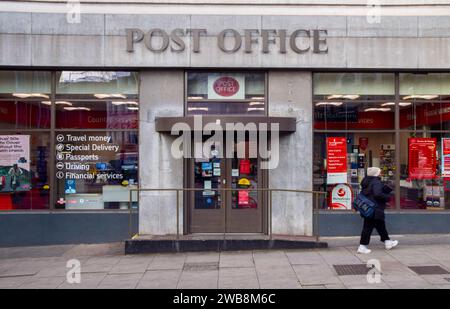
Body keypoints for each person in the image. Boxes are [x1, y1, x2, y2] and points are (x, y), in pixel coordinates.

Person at [357, 167, 398, 254]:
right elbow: (377, 194)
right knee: (368, 227)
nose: (380, 174)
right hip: (375, 208)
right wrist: (388, 197)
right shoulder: (376, 182)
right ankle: (362, 246)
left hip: (368, 207)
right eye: (379, 172)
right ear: (376, 174)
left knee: (380, 225)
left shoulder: (366, 181)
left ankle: (387, 242)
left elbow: (370, 193)